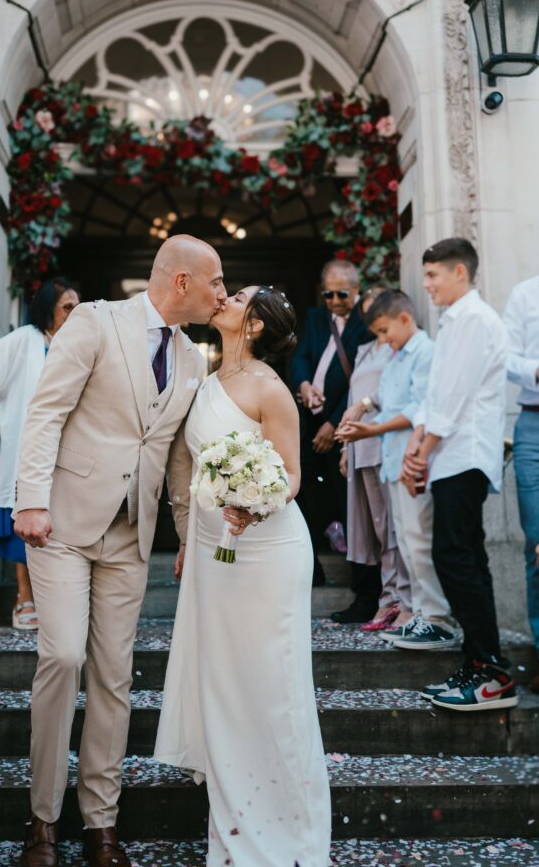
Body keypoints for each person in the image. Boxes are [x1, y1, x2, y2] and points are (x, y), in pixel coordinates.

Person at [13, 236, 226, 867]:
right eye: (216, 283)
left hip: (131, 536)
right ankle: (42, 819)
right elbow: (45, 411)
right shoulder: (96, 321)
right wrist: (30, 499)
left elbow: (182, 460)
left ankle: (100, 823)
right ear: (182, 282)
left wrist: (188, 536)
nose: (223, 294)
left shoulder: (194, 360)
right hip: (60, 524)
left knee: (113, 676)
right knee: (63, 654)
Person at [155, 285, 331, 867]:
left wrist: (252, 503)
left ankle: (286, 835)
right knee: (223, 683)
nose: (223, 297)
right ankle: (233, 824)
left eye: (238, 297)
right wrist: (188, 537)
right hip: (214, 551)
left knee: (270, 686)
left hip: (268, 551)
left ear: (253, 326)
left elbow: (290, 479)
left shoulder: (270, 389)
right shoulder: (205, 382)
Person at [402, 238, 516, 711]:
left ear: (459, 274)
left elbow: (453, 397)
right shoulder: (455, 320)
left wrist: (422, 452)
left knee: (455, 556)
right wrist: (417, 444)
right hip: (450, 454)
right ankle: (479, 664)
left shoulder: (472, 318)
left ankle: (491, 672)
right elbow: (436, 393)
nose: (425, 284)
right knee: (465, 555)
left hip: (464, 452)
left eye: (432, 275)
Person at [340, 289, 456, 649]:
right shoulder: (397, 355)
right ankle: (419, 613)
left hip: (411, 460)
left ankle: (437, 618)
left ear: (405, 320)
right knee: (404, 542)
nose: (383, 339)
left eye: (384, 330)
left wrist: (370, 428)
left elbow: (417, 408)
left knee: (419, 542)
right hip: (392, 461)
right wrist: (363, 405)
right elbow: (385, 396)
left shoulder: (425, 353)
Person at [0, 277, 79, 630]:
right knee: (27, 518)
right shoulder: (24, 340)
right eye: (67, 308)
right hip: (26, 447)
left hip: (68, 450)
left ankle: (56, 601)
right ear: (48, 309)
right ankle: (23, 598)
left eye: (77, 307)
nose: (74, 314)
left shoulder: (77, 345)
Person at [291, 258, 380, 616]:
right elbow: (300, 356)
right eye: (328, 293)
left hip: (348, 429)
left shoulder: (368, 323)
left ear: (356, 290)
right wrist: (304, 384)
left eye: (342, 293)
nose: (334, 300)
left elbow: (365, 378)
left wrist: (334, 423)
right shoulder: (315, 318)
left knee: (353, 508)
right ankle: (309, 570)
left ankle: (366, 592)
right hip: (309, 425)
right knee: (302, 498)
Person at [336, 286, 411, 632]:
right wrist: (345, 448)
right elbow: (357, 397)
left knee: (393, 527)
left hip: (384, 443)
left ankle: (396, 599)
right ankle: (388, 596)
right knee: (376, 528)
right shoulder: (365, 350)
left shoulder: (398, 349)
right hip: (360, 446)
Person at [503, 274, 539, 695]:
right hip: (532, 421)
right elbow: (504, 357)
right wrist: (534, 368)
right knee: (536, 542)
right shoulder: (525, 292)